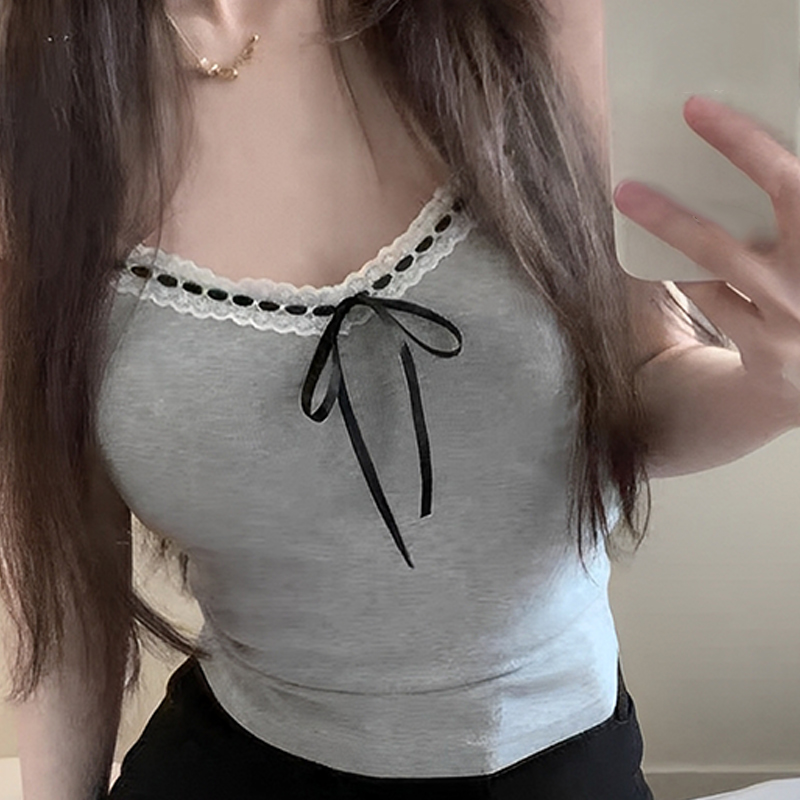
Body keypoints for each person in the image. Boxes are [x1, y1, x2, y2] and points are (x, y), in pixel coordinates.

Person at [1, 1, 798, 798]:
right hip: (233, 756)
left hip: (549, 759)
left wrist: (777, 383)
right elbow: (61, 564)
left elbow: (641, 387)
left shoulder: (534, 18)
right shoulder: (41, 76)